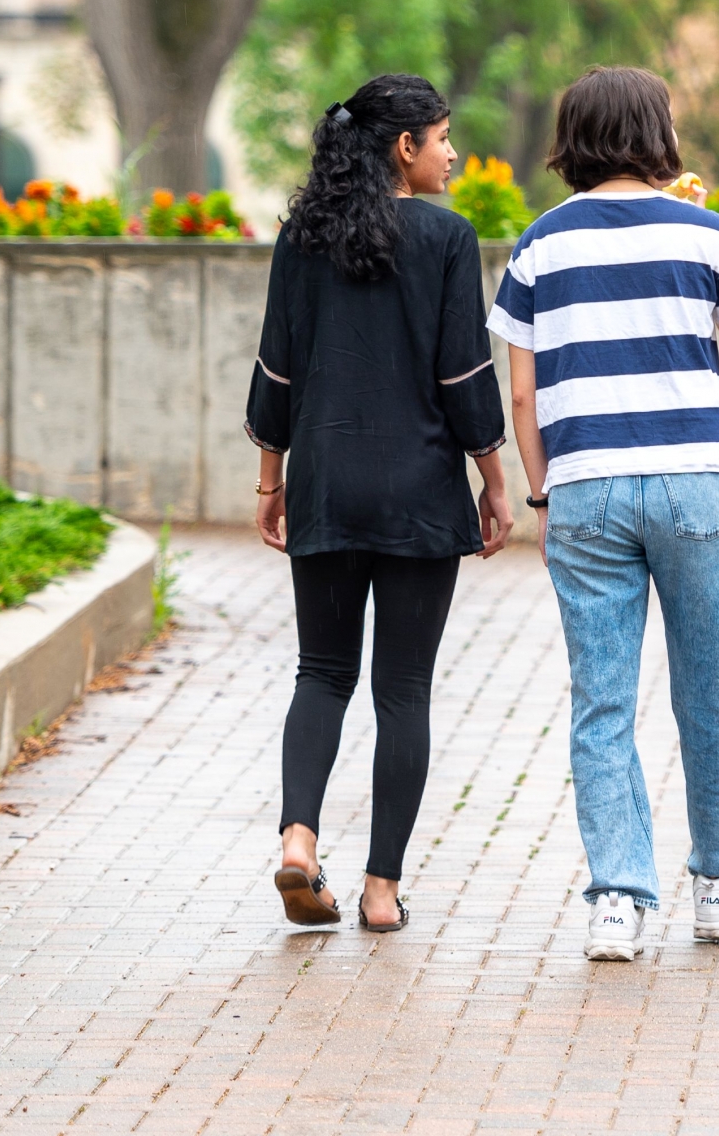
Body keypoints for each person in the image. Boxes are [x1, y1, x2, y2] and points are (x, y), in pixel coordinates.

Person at [488, 66, 719, 961]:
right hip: (696, 480)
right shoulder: (706, 230)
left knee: (601, 699)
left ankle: (618, 897)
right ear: (657, 132)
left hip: (586, 483)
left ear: (571, 137)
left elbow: (523, 395)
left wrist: (542, 492)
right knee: (708, 686)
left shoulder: (537, 245)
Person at [248, 73, 514, 935]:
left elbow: (276, 367)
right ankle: (381, 890)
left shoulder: (304, 235)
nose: (452, 154)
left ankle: (297, 838)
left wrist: (270, 479)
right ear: (405, 147)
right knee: (403, 690)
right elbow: (462, 374)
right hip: (417, 493)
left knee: (321, 674)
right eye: (442, 138)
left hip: (324, 481)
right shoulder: (446, 237)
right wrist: (495, 479)